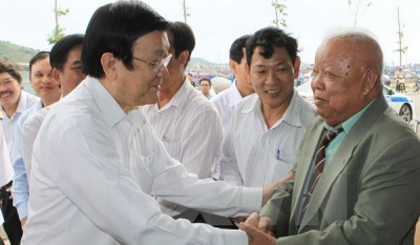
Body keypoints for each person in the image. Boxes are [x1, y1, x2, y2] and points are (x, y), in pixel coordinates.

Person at [21, 2, 285, 244]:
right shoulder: (76, 127)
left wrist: (260, 197)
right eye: (154, 61)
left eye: (165, 59)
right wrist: (243, 242)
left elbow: (176, 181)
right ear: (110, 64)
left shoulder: (131, 112)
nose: (163, 70)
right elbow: (142, 226)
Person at [240, 28, 420, 245]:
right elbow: (296, 183)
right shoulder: (320, 124)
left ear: (368, 81)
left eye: (329, 75)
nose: (316, 83)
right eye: (315, 72)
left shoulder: (398, 146)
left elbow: (367, 234)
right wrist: (268, 217)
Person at [140, 21, 224, 220]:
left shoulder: (202, 114)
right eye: (151, 58)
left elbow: (188, 191)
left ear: (183, 57)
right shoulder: (141, 104)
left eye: (162, 57)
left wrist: (142, 222)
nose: (155, 66)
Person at [219, 27, 316, 189]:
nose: (271, 80)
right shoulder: (241, 111)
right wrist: (240, 200)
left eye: (281, 69)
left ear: (296, 67)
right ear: (249, 71)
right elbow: (229, 161)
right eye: (261, 71)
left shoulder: (314, 125)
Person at [12, 35, 85, 229]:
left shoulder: (89, 112)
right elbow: (22, 175)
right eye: (38, 75)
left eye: (49, 74)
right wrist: (26, 217)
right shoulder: (29, 123)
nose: (45, 80)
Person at [0, 58, 41, 245]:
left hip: (31, 186)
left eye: (7, 82)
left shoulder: (37, 109)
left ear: (21, 81)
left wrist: (16, 185)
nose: (2, 89)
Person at [210, 34, 254, 134]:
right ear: (233, 66)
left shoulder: (275, 105)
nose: (258, 70)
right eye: (250, 64)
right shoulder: (214, 110)